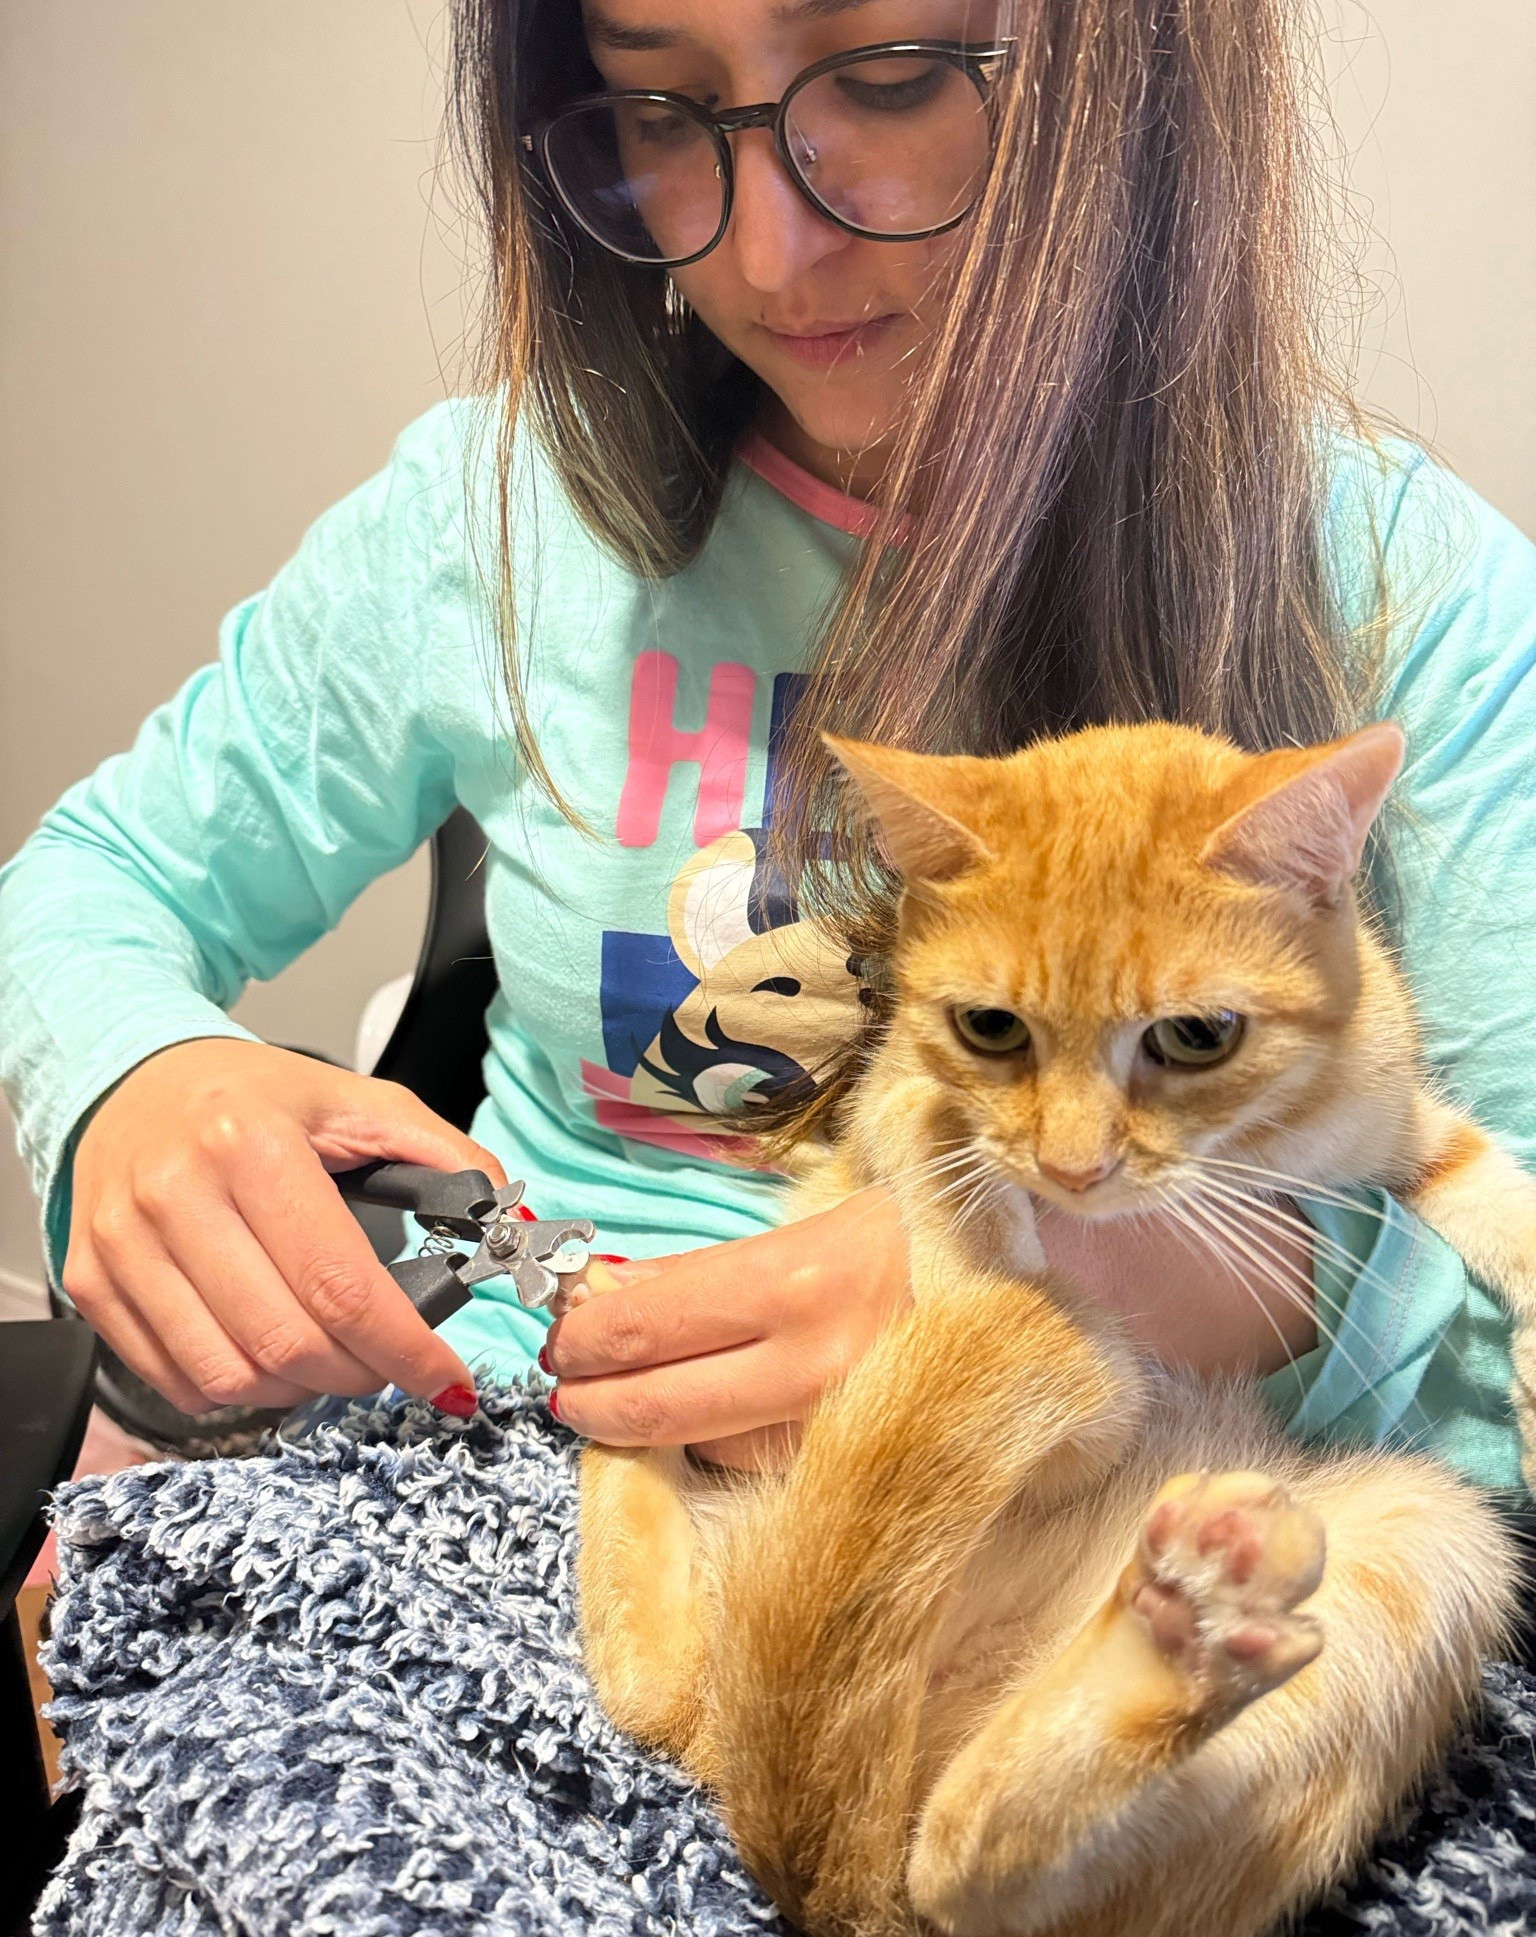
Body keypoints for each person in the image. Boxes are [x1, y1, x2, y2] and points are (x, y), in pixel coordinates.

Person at [1, 0, 1533, 1484]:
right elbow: (88, 885)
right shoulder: (489, 514)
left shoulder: (1412, 598)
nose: (765, 254)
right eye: (657, 110)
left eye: (890, 79)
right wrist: (136, 1077)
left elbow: (1494, 1286)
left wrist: (1175, 1296)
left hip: (1098, 1506)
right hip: (529, 1434)